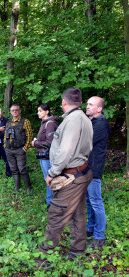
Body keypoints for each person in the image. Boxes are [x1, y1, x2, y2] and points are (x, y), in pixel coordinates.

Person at [35, 88, 93, 266]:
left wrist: (52, 173)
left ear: (63, 102)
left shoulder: (73, 120)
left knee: (56, 215)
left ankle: (43, 258)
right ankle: (77, 251)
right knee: (77, 214)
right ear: (81, 102)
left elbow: (66, 150)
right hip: (81, 173)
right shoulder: (83, 118)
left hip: (70, 176)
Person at [85, 96, 110, 249]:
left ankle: (99, 236)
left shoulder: (100, 124)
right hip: (86, 167)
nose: (87, 106)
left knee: (95, 201)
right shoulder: (92, 122)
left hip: (94, 168)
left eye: (91, 104)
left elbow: (86, 142)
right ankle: (91, 227)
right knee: (89, 200)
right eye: (87, 103)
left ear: (99, 109)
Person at [31, 104, 59, 206]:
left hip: (48, 156)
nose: (38, 113)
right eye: (38, 111)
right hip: (43, 155)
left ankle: (52, 202)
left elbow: (50, 142)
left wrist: (35, 143)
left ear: (47, 112)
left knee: (50, 179)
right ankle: (50, 200)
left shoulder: (50, 124)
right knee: (48, 178)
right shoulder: (44, 123)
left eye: (40, 111)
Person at [4, 104, 33, 193]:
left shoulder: (25, 121)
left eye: (16, 110)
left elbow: (30, 135)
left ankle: (28, 187)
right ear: (10, 112)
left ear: (20, 111)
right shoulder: (8, 122)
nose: (15, 112)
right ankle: (17, 187)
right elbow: (5, 135)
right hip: (9, 150)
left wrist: (25, 147)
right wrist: (5, 146)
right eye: (13, 110)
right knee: (13, 169)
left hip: (20, 149)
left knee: (22, 169)